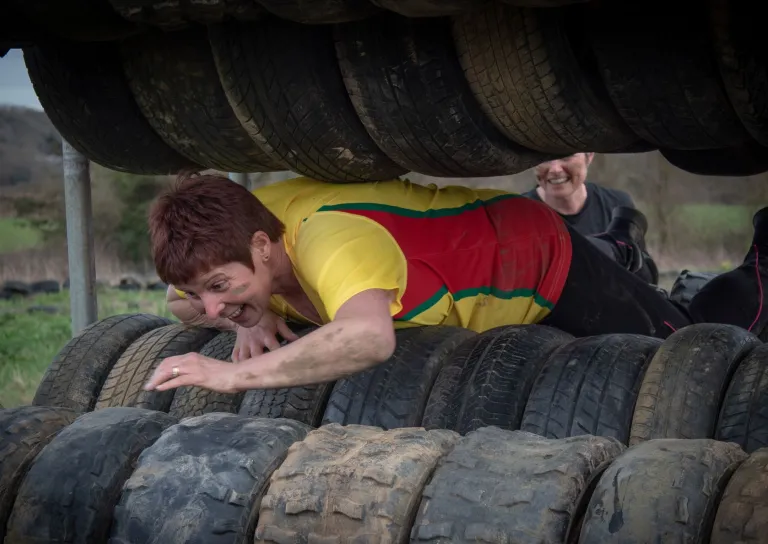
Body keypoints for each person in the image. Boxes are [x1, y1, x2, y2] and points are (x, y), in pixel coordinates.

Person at [142, 172, 768, 395]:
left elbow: (367, 340)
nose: (211, 304)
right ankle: (617, 248)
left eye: (223, 286)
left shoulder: (333, 241)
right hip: (465, 264)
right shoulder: (234, 231)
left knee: (694, 349)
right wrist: (237, 315)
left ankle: (750, 259)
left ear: (262, 245)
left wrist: (230, 373)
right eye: (204, 293)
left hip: (532, 258)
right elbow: (180, 298)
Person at [522, 152, 659, 284]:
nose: (555, 169)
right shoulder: (515, 214)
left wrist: (623, 255)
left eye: (566, 156)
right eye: (543, 157)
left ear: (589, 156)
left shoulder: (617, 204)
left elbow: (645, 281)